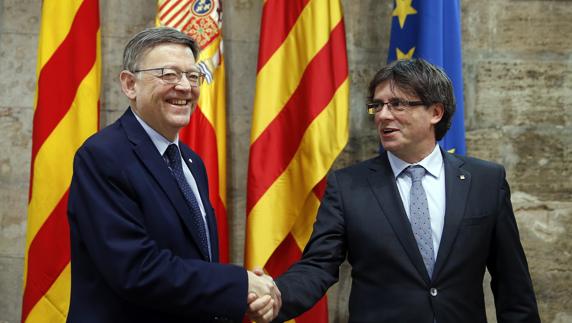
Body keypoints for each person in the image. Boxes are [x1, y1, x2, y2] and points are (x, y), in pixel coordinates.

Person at [270, 59, 540, 322]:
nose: (383, 115)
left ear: (435, 112)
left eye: (397, 104)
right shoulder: (348, 186)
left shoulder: (485, 181)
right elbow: (318, 266)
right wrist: (274, 297)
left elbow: (512, 283)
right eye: (377, 105)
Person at [67, 27, 277, 323]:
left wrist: (246, 294)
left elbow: (192, 260)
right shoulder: (103, 156)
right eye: (168, 74)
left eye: (193, 76)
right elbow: (135, 269)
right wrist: (238, 284)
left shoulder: (192, 162)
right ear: (129, 84)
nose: (185, 87)